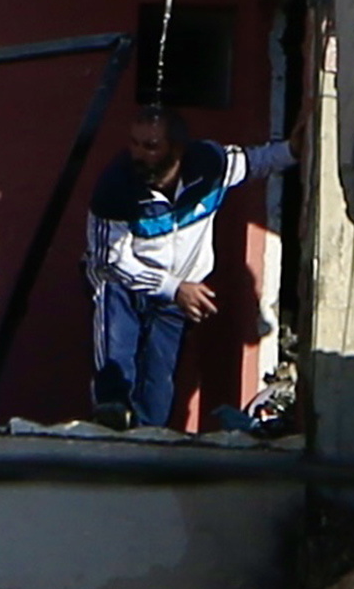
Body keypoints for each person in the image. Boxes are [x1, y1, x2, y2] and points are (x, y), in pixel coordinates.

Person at [82, 104, 289, 431]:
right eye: (134, 144)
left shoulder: (212, 167)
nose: (138, 154)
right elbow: (110, 262)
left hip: (177, 297)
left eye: (150, 146)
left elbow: (257, 162)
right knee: (115, 372)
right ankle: (111, 428)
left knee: (159, 387)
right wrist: (173, 287)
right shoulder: (115, 189)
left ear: (176, 149)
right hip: (123, 287)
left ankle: (145, 450)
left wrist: (295, 149)